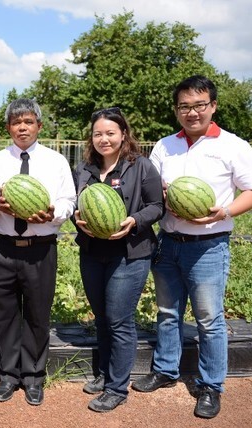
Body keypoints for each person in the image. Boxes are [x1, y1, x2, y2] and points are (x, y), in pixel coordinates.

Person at [132, 75, 252, 419]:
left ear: (213, 106)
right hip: (169, 242)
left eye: (199, 105)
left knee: (208, 319)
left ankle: (210, 386)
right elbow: (155, 188)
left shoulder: (233, 145)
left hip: (209, 246)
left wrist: (224, 211)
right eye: (184, 106)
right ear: (177, 110)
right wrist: (163, 200)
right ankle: (165, 370)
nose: (192, 113)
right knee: (167, 313)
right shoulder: (164, 146)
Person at [0, 98, 76, 406]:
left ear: (39, 126)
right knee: (4, 314)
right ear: (8, 127)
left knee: (37, 314)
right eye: (16, 122)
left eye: (29, 121)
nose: (22, 127)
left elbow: (68, 201)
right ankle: (8, 375)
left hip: (40, 249)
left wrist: (52, 214)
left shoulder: (56, 161)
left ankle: (34, 377)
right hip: (3, 247)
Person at [72, 107, 164, 412]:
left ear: (123, 134)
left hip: (130, 254)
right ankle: (104, 374)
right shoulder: (83, 169)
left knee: (119, 320)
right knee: (102, 318)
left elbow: (156, 206)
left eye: (110, 132)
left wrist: (134, 221)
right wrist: (77, 219)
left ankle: (116, 388)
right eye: (98, 133)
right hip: (93, 252)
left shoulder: (141, 167)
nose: (104, 139)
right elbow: (78, 207)